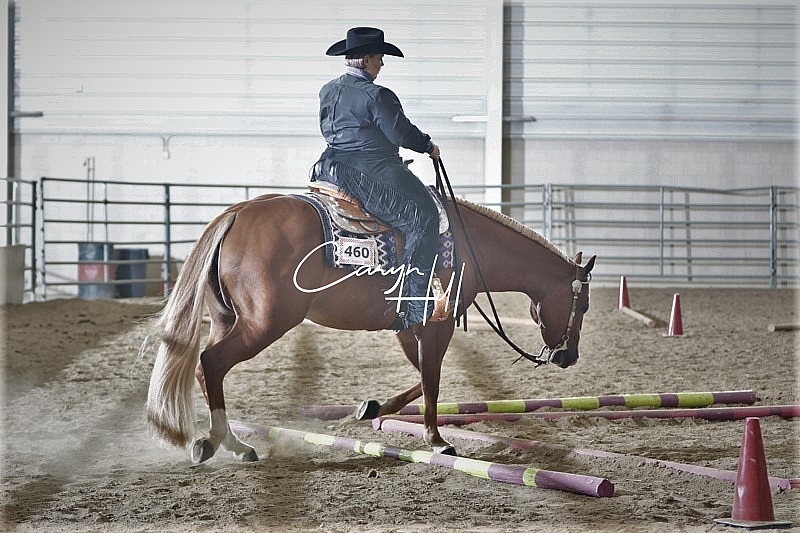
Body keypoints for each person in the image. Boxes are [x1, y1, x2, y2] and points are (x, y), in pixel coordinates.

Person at [312, 27, 441, 331]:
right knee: (424, 217)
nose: (382, 63)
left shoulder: (328, 90)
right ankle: (414, 306)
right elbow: (401, 134)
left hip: (329, 167)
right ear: (367, 59)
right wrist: (428, 146)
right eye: (380, 57)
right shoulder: (378, 95)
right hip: (369, 172)